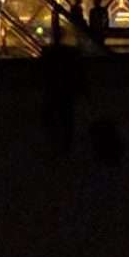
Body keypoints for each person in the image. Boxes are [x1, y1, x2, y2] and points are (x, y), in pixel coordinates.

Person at [37, 18, 86, 156]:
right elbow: (78, 71)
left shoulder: (48, 52)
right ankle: (66, 145)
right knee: (67, 118)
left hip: (53, 89)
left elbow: (42, 71)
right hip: (66, 90)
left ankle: (53, 144)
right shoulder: (71, 52)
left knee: (51, 116)